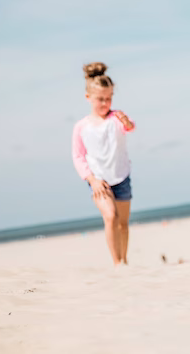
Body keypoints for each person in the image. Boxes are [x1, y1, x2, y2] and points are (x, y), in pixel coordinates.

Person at [71, 62, 136, 265]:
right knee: (110, 216)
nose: (105, 103)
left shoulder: (116, 118)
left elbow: (130, 127)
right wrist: (92, 179)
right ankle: (116, 262)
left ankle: (124, 260)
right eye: (100, 99)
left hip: (121, 176)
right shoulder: (81, 126)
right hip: (99, 180)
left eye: (108, 99)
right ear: (88, 97)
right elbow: (78, 156)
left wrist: (126, 122)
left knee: (123, 224)